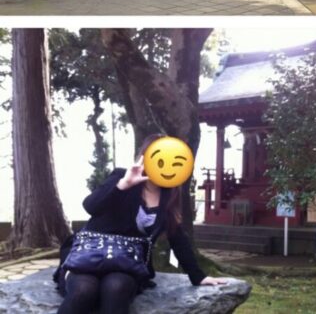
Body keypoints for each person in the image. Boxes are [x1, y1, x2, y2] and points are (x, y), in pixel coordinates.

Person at [54, 134, 226, 314]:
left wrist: (197, 276)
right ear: (146, 157)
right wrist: (122, 185)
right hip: (88, 257)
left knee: (115, 288)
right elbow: (90, 206)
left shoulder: (169, 195)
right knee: (84, 290)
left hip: (126, 263)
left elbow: (177, 237)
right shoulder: (121, 176)